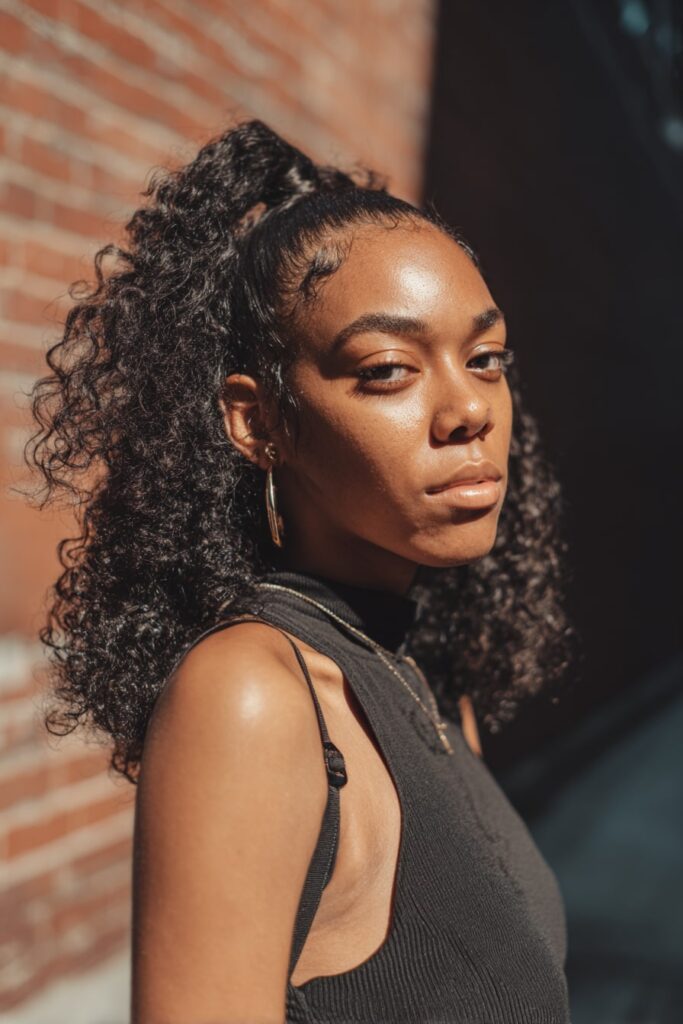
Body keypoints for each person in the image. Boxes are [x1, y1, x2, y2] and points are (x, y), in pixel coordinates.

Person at [27, 118, 577, 1023]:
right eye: (389, 369)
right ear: (257, 423)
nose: (468, 410)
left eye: (485, 360)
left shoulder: (424, 674)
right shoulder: (251, 697)